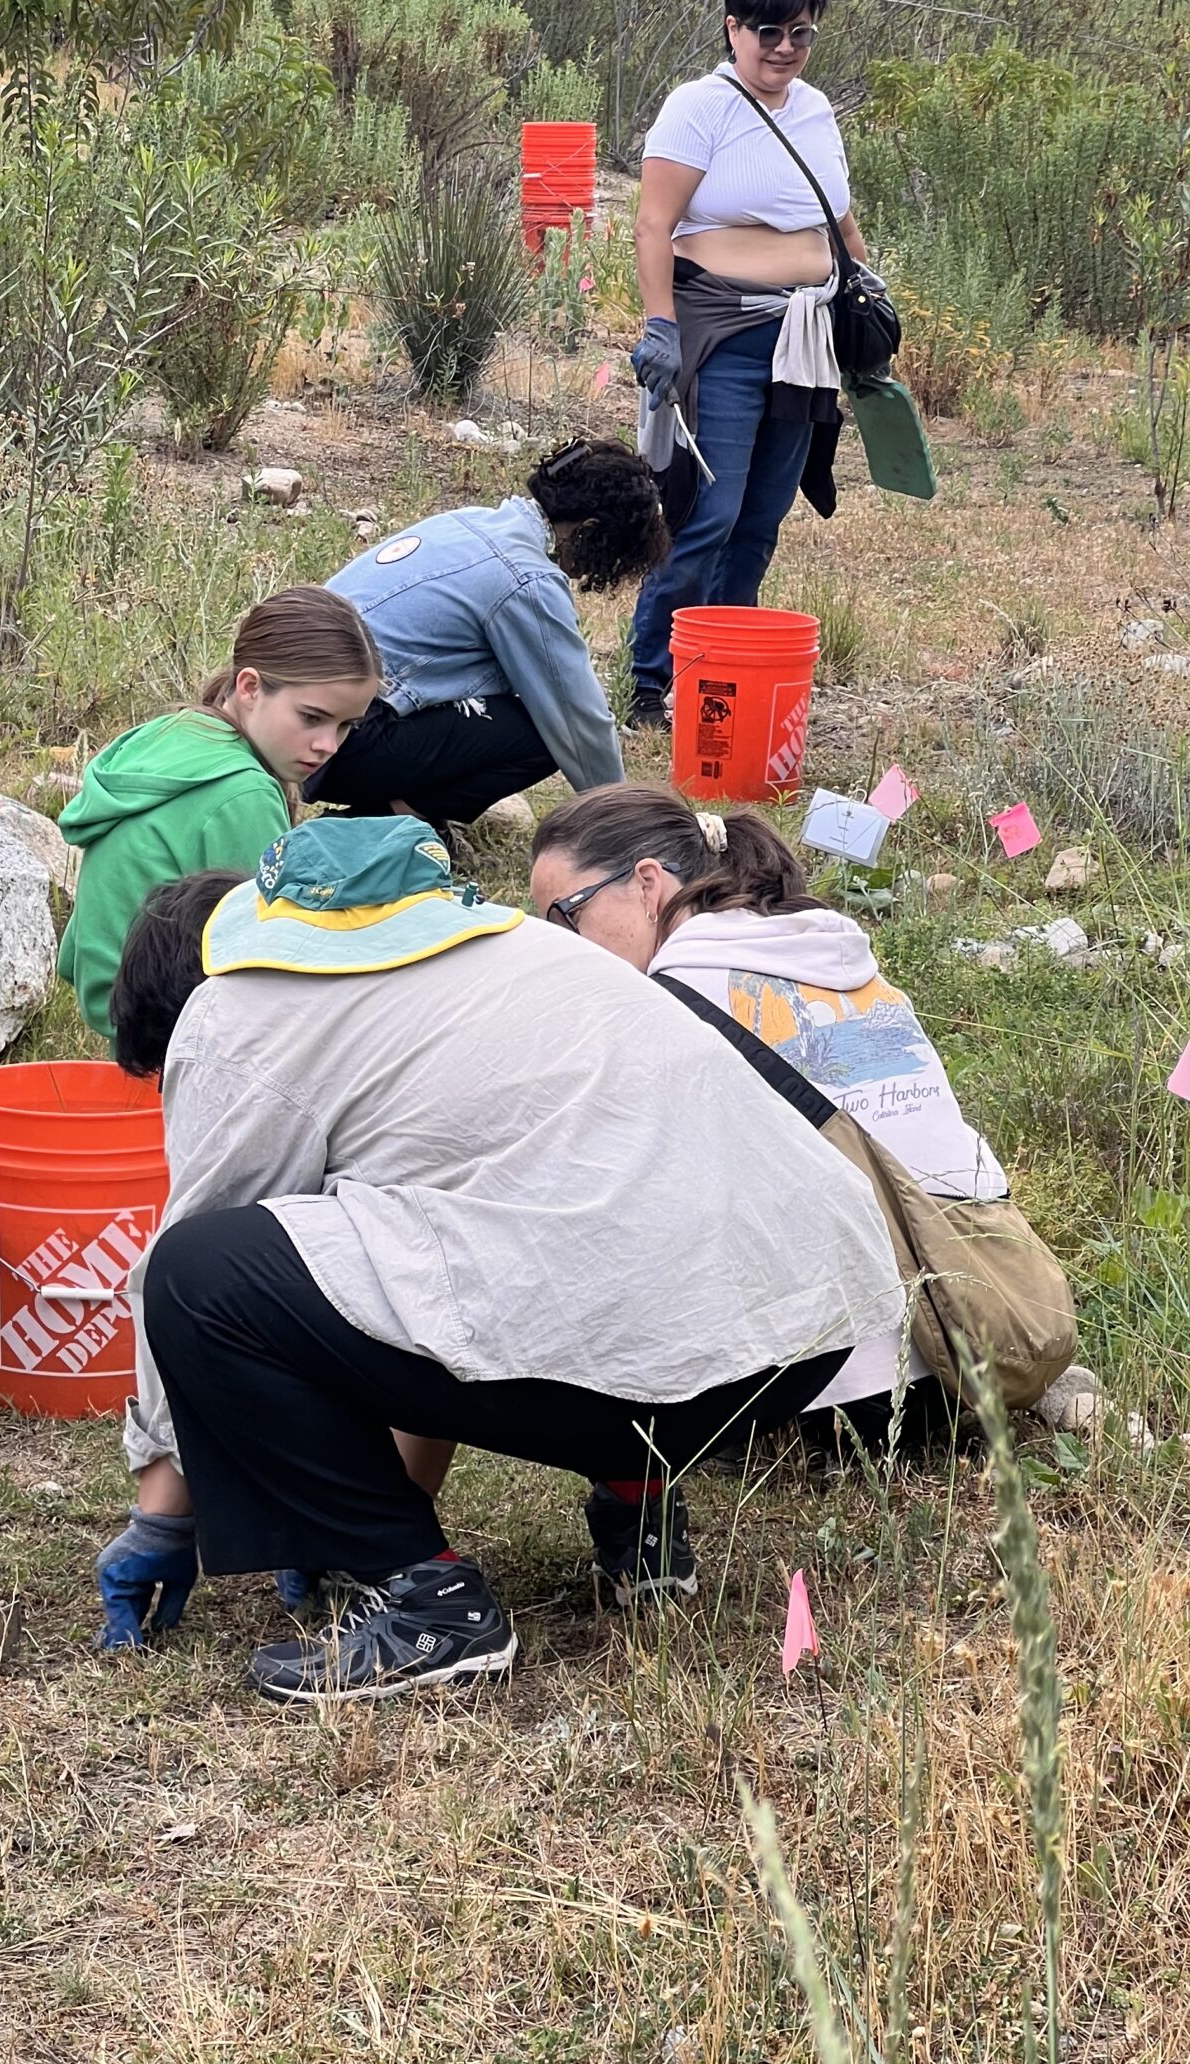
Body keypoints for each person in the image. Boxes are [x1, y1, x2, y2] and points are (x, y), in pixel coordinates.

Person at [90, 815, 903, 1696]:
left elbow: (192, 1284)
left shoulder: (236, 1009)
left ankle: (433, 1608)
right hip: (803, 1337)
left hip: (658, 1359)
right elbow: (431, 1268)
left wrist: (168, 1516)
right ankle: (640, 1506)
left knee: (204, 1272)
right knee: (511, 1229)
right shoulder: (494, 944)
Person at [529, 782, 1011, 1445]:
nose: (562, 948)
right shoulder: (833, 952)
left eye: (567, 917)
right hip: (971, 1339)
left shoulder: (668, 1005)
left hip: (834, 1395)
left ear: (646, 884)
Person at [626, 0, 881, 729]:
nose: (784, 48)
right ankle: (651, 681)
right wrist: (660, 324)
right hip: (722, 331)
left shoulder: (816, 110)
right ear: (734, 28)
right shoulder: (698, 107)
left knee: (762, 514)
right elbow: (653, 224)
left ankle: (724, 670)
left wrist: (868, 295)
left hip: (805, 338)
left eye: (801, 33)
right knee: (708, 511)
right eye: (768, 32)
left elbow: (839, 220)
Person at [56, 587, 381, 1036]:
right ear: (250, 687)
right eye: (311, 717)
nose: (329, 745)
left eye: (345, 726)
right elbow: (275, 953)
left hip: (113, 1000)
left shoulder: (177, 736)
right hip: (169, 1025)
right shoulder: (243, 794)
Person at [310, 440, 667, 826]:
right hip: (342, 736)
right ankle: (379, 821)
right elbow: (578, 718)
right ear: (589, 531)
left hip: (304, 714)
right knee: (540, 733)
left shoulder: (468, 521)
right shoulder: (526, 578)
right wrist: (621, 820)